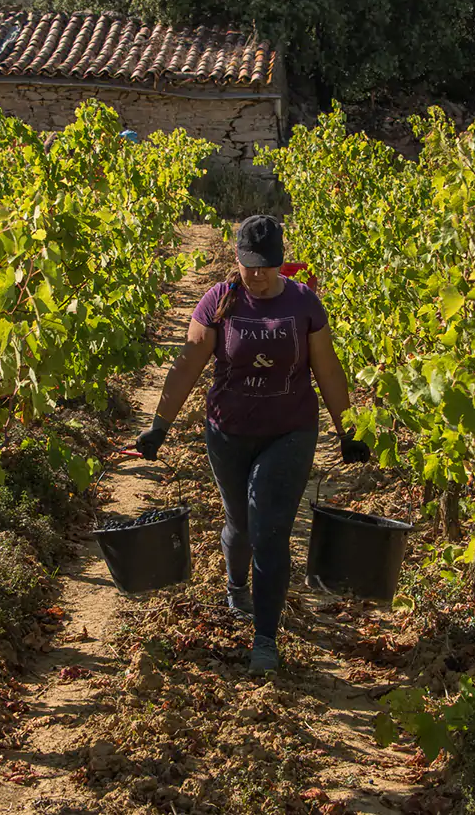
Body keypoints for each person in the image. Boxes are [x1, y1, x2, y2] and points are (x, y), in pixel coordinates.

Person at [136, 215, 370, 675]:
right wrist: (159, 425)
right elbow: (187, 365)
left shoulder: (305, 304)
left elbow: (327, 369)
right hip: (228, 432)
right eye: (250, 266)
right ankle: (235, 586)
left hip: (290, 432)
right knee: (239, 525)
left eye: (267, 266)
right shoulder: (218, 302)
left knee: (269, 529)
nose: (258, 275)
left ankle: (265, 637)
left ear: (281, 262)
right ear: (237, 259)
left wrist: (348, 430)